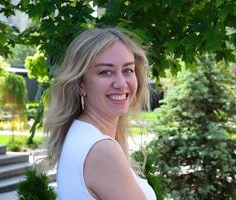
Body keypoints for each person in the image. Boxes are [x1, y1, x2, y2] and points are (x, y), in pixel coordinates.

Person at [42, 27, 156, 200]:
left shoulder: (80, 132)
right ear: (81, 85)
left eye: (128, 70)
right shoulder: (101, 150)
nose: (121, 83)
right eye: (106, 72)